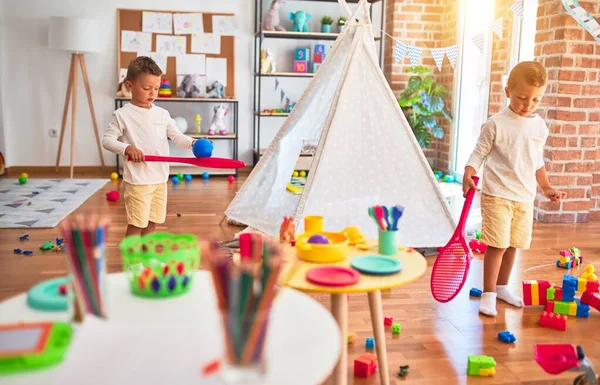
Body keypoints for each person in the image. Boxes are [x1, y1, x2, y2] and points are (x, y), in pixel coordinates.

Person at [462, 61, 566, 316]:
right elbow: (479, 154)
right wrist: (468, 172)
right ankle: (488, 294)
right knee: (497, 245)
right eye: (522, 98)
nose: (528, 104)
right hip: (497, 194)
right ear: (508, 91)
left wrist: (546, 186)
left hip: (524, 197)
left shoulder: (539, 126)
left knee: (512, 245)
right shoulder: (496, 124)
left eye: (535, 99)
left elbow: (536, 161)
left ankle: (501, 287)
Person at [103, 56, 195, 237]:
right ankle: (132, 264)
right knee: (137, 224)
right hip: (138, 181)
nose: (153, 93)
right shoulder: (123, 115)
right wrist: (127, 148)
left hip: (159, 179)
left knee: (151, 223)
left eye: (157, 88)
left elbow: (176, 136)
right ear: (130, 86)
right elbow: (108, 140)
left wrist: (194, 143)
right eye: (146, 88)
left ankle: (146, 259)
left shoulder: (162, 114)